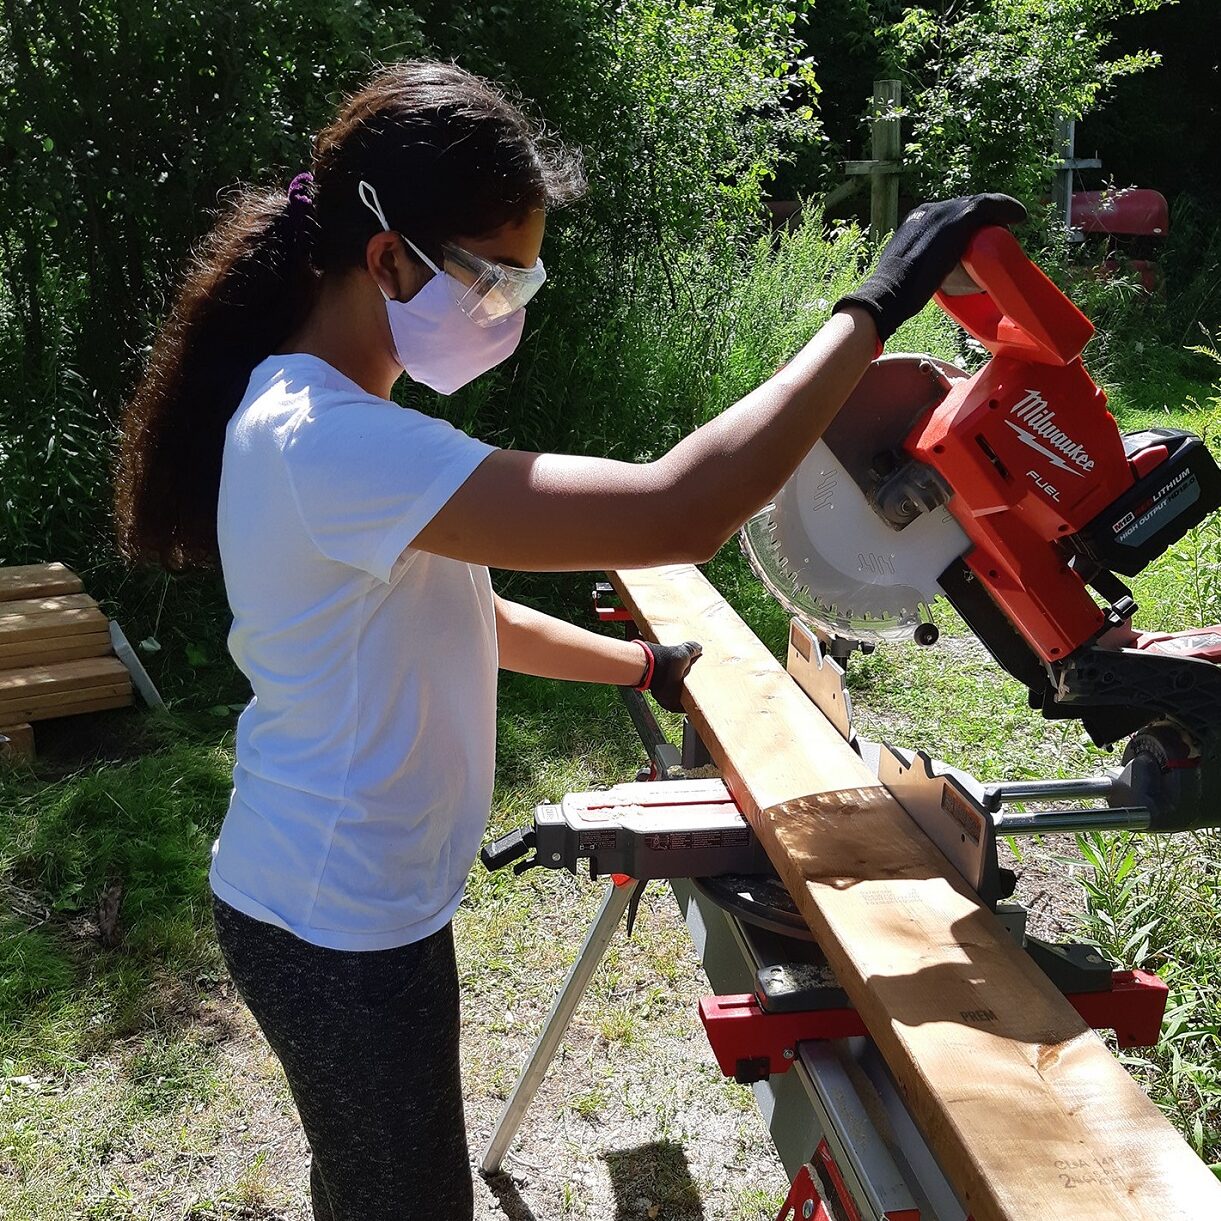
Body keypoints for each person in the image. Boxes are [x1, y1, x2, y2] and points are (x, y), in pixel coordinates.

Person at [114, 59, 1024, 1221]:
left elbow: (472, 618)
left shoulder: (341, 424)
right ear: (388, 259)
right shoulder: (326, 441)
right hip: (334, 921)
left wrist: (643, 667)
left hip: (347, 901)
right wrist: (875, 308)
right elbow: (673, 510)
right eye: (490, 279)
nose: (506, 309)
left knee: (368, 1184)